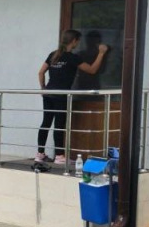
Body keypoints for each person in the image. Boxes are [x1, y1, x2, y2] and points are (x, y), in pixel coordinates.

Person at [36, 29, 109, 164]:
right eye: (78, 40)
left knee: (46, 122)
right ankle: (59, 156)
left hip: (49, 94)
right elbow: (92, 70)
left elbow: (41, 72)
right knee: (59, 125)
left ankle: (40, 154)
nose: (78, 43)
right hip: (61, 94)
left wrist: (43, 89)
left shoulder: (53, 55)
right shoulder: (72, 58)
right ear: (74, 41)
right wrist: (101, 53)